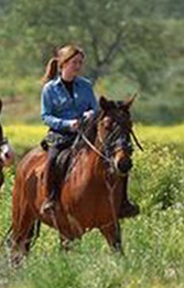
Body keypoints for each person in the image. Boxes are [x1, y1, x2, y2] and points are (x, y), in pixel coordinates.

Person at [39, 44, 139, 217]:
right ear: (63, 63)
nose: (78, 66)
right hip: (61, 135)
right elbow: (46, 116)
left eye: (80, 63)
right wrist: (68, 124)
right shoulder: (49, 88)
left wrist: (89, 114)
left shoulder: (85, 85)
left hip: (85, 133)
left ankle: (123, 201)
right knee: (52, 160)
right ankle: (51, 199)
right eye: (75, 62)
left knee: (119, 158)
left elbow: (95, 109)